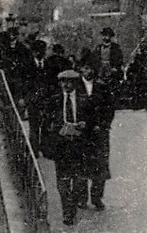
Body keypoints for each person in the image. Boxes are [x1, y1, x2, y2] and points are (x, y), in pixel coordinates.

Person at [44, 69, 90, 226]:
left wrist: (85, 125)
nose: (66, 85)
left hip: (79, 146)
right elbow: (46, 124)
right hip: (61, 147)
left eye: (69, 82)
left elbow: (93, 121)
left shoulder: (84, 100)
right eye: (63, 82)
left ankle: (72, 209)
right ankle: (67, 212)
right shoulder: (54, 100)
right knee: (62, 183)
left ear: (76, 83)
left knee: (78, 182)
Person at [77, 61, 116, 211]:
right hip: (82, 133)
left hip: (99, 132)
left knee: (100, 164)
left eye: (91, 68)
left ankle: (97, 197)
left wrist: (104, 125)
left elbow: (110, 108)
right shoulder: (76, 87)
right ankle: (81, 198)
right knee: (81, 164)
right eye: (86, 67)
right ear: (81, 69)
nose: (88, 71)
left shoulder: (102, 87)